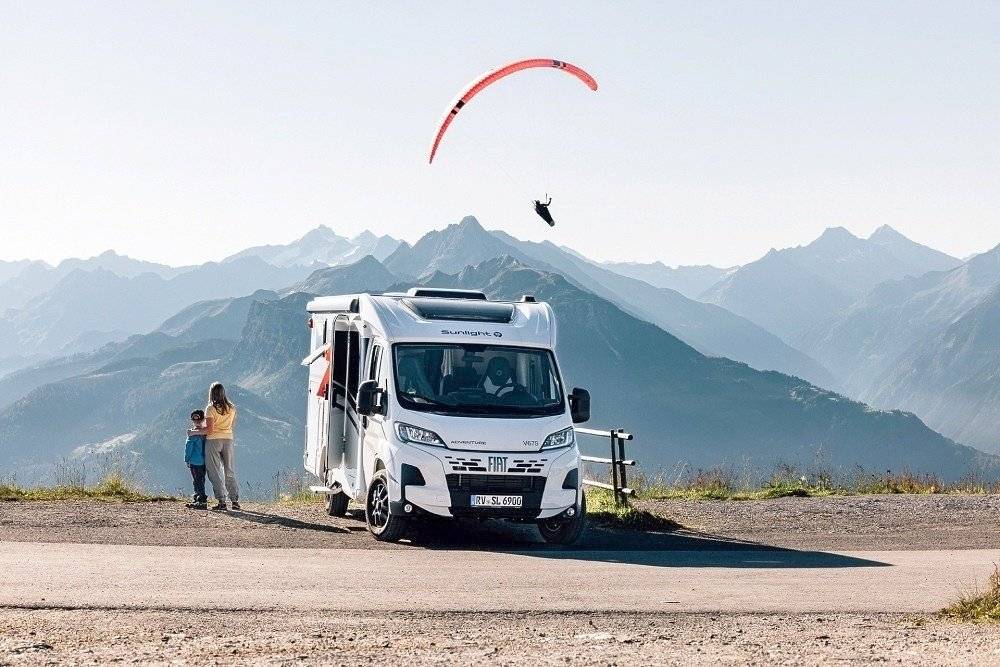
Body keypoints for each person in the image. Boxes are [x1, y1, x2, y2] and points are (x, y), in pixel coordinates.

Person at [190, 382, 240, 511]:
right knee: (229, 470)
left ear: (211, 393)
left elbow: (209, 430)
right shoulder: (232, 408)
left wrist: (193, 432)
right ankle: (234, 500)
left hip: (213, 441)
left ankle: (222, 501)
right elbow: (232, 425)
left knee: (215, 472)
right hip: (228, 439)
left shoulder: (210, 408)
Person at [184, 409, 208, 510]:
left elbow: (188, 448)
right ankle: (198, 498)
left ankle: (201, 500)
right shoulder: (205, 434)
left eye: (196, 420)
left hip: (194, 462)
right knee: (201, 480)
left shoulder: (192, 435)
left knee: (196, 480)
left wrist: (187, 459)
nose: (196, 422)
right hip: (204, 462)